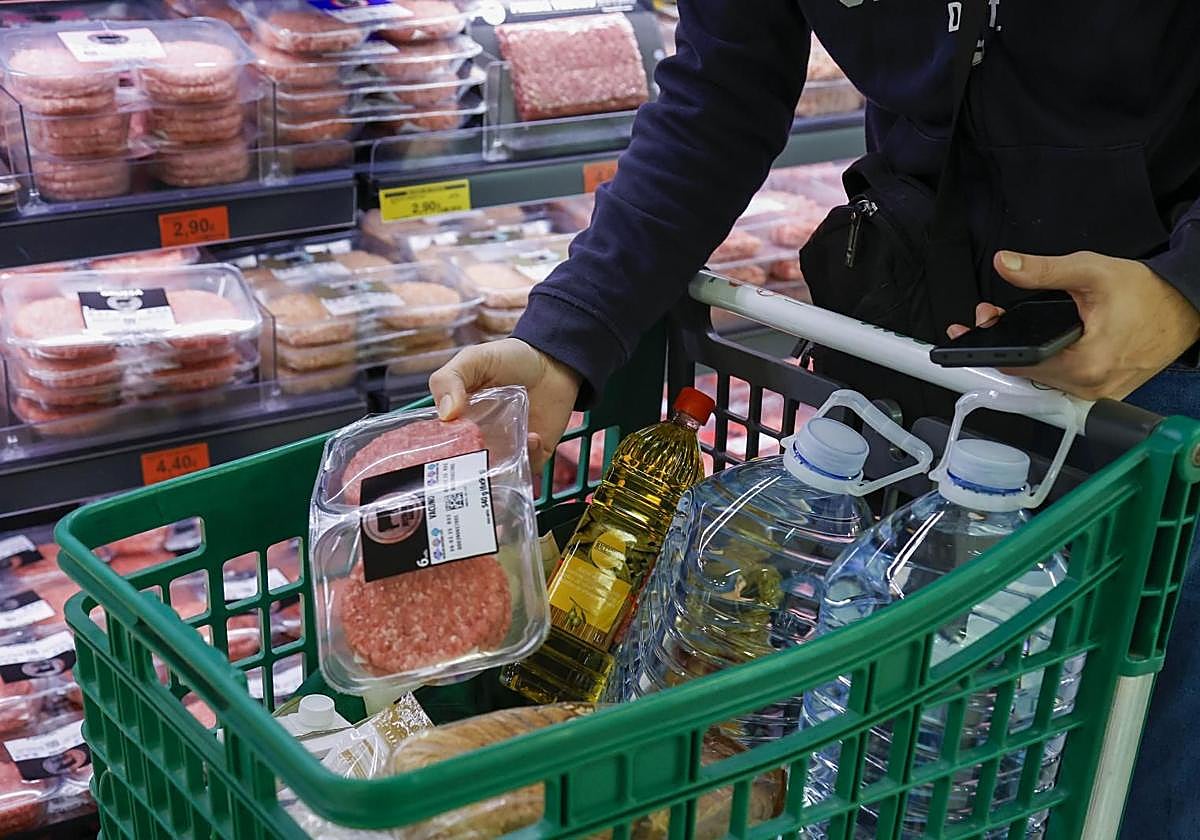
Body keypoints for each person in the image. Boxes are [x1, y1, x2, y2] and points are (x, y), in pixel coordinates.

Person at [430, 2, 1200, 836]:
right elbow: (723, 90)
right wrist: (566, 336)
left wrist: (1185, 290)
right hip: (899, 345)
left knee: (1128, 767)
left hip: (1152, 373)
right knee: (869, 760)